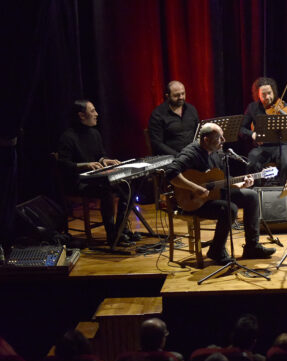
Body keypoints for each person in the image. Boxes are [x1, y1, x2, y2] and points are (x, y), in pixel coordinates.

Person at [164, 122, 276, 264]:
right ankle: (216, 250)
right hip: (192, 201)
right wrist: (195, 188)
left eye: (222, 137)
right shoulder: (191, 153)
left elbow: (221, 180)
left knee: (251, 196)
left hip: (213, 195)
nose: (223, 141)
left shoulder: (216, 153)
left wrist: (241, 184)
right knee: (229, 208)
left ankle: (252, 247)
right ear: (206, 140)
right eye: (219, 138)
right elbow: (170, 173)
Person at [57, 99, 138, 245]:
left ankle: (121, 229)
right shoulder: (68, 137)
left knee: (128, 185)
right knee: (105, 190)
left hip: (96, 180)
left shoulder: (94, 133)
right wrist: (85, 165)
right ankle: (112, 234)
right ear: (81, 115)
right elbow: (64, 164)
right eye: (92, 111)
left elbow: (99, 155)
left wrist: (104, 160)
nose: (97, 114)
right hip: (78, 182)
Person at [238, 77, 287, 183]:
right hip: (262, 147)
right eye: (263, 94)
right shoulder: (252, 108)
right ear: (257, 94)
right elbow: (241, 129)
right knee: (251, 164)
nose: (267, 97)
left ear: (273, 91)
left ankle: (285, 193)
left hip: (282, 146)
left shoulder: (282, 106)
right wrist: (252, 134)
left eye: (269, 93)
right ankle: (256, 192)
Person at [147, 80, 200, 156]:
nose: (181, 97)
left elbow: (198, 133)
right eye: (176, 95)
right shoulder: (158, 114)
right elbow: (157, 143)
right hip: (172, 157)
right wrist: (179, 156)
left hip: (193, 154)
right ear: (167, 96)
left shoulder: (191, 109)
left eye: (183, 93)